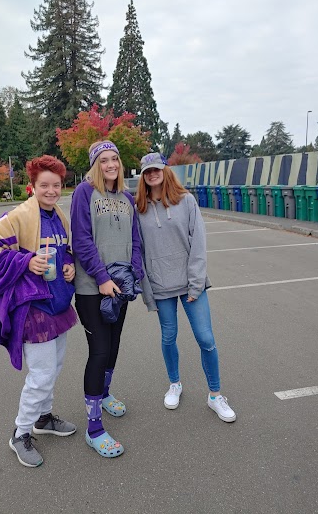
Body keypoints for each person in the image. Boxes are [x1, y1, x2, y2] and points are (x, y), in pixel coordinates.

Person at [0, 155, 78, 468]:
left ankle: (43, 418)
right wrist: (25, 261)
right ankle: (20, 433)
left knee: (54, 366)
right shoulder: (16, 216)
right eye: (44, 185)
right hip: (32, 307)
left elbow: (65, 250)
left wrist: (69, 265)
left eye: (56, 185)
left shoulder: (59, 216)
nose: (50, 190)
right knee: (42, 373)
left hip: (57, 302)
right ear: (32, 186)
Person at [136, 153, 236, 422]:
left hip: (191, 285)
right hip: (160, 286)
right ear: (143, 177)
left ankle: (215, 395)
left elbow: (198, 245)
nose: (152, 174)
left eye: (156, 169)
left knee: (206, 338)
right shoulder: (139, 209)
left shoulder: (186, 201)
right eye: (147, 172)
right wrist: (148, 294)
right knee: (168, 337)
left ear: (166, 171)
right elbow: (140, 254)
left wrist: (195, 284)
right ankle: (175, 384)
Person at [70, 140, 144, 458]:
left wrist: (134, 274)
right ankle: (94, 428)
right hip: (92, 289)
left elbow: (136, 240)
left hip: (120, 288)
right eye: (104, 160)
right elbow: (82, 239)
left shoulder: (127, 198)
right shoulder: (84, 193)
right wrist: (101, 278)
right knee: (99, 351)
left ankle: (105, 393)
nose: (111, 164)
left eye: (114, 158)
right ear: (95, 164)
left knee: (113, 346)